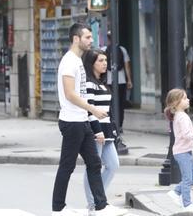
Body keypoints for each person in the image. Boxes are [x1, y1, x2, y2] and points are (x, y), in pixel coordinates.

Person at [51, 22, 126, 216]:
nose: (91, 40)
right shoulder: (69, 62)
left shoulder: (77, 61)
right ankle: (58, 209)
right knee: (67, 166)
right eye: (87, 37)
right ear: (76, 39)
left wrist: (89, 117)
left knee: (94, 163)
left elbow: (80, 93)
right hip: (71, 122)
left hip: (81, 120)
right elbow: (69, 94)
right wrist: (92, 109)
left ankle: (100, 206)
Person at [83, 49, 120, 212]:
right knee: (93, 167)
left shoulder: (103, 83)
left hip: (107, 130)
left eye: (105, 60)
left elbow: (108, 110)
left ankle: (100, 199)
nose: (105, 63)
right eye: (100, 61)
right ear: (91, 64)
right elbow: (89, 110)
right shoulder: (89, 84)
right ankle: (93, 203)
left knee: (113, 165)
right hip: (95, 130)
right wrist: (97, 131)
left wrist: (113, 130)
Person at [165, 88, 193, 214]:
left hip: (186, 151)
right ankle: (187, 204)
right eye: (185, 98)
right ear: (176, 102)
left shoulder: (181, 116)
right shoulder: (181, 117)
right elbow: (185, 135)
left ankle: (175, 192)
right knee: (187, 178)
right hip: (182, 152)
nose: (188, 99)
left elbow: (183, 132)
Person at [103, 32, 132, 131]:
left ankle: (111, 124)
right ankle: (119, 125)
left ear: (108, 39)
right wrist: (129, 80)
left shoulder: (103, 50)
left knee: (109, 104)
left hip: (109, 81)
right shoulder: (122, 50)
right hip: (121, 81)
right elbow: (127, 66)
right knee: (120, 104)